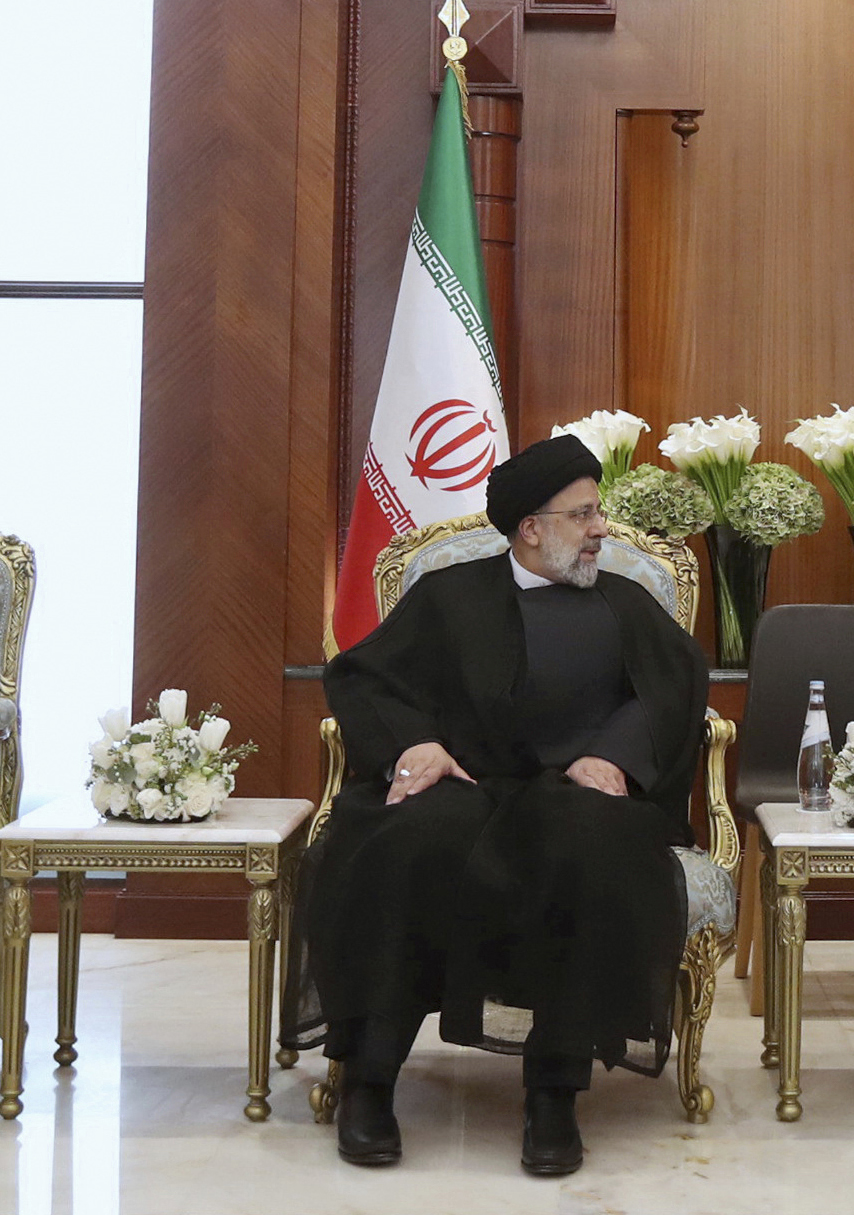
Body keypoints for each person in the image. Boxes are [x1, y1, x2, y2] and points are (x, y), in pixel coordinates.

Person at [282, 435, 708, 1176]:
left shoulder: (626, 603)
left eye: (598, 512)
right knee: (404, 843)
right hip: (466, 784)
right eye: (582, 516)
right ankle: (370, 1083)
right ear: (530, 528)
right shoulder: (449, 596)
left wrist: (612, 754)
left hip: (574, 796)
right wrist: (415, 744)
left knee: (586, 848)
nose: (600, 528)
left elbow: (674, 688)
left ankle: (553, 1092)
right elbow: (365, 679)